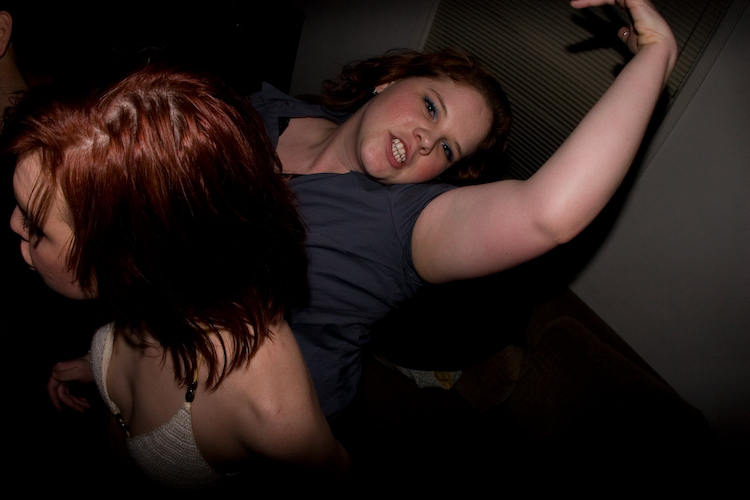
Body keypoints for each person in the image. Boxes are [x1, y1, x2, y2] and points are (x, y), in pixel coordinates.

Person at [249, 0, 678, 420]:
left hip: (273, 426)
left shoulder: (403, 224)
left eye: (447, 149)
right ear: (390, 81)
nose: (427, 140)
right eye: (431, 107)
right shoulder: (279, 110)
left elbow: (544, 216)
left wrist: (656, 54)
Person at [7, 65, 349, 490]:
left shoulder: (274, 413)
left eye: (36, 226)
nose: (13, 224)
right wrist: (96, 365)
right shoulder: (158, 282)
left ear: (130, 254)